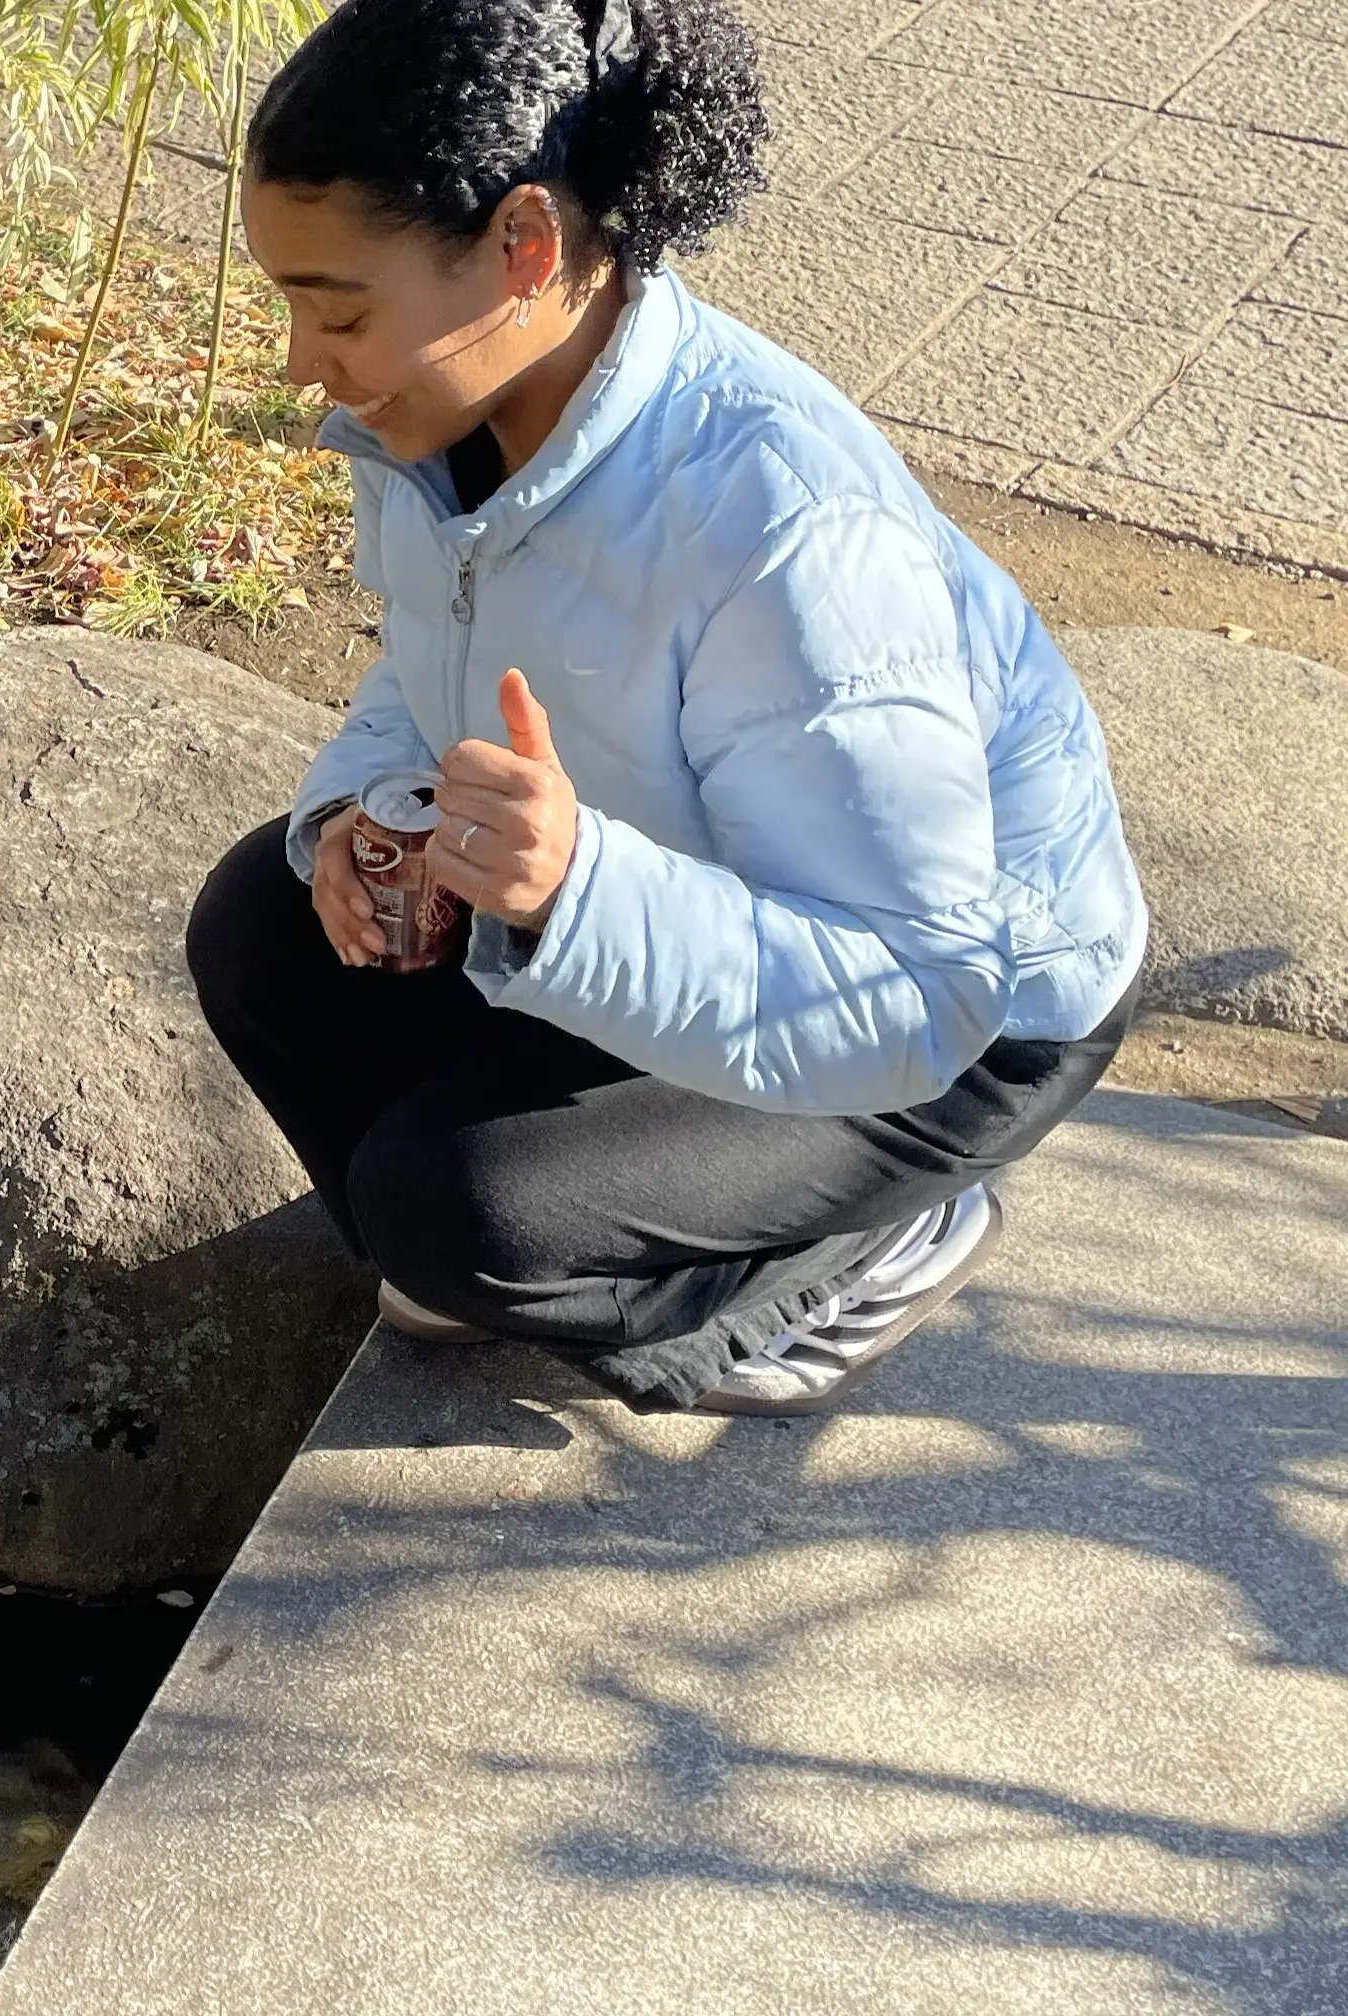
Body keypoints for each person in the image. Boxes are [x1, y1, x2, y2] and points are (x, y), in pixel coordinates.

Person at [183, 0, 1149, 1415]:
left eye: (336, 309)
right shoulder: (444, 415)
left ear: (525, 249)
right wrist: (368, 814)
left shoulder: (787, 524)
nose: (300, 365)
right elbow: (431, 658)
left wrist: (576, 893)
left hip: (967, 1021)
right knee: (261, 929)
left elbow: (922, 981)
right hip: (697, 884)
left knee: (465, 1213)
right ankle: (551, 1249)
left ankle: (848, 1254)